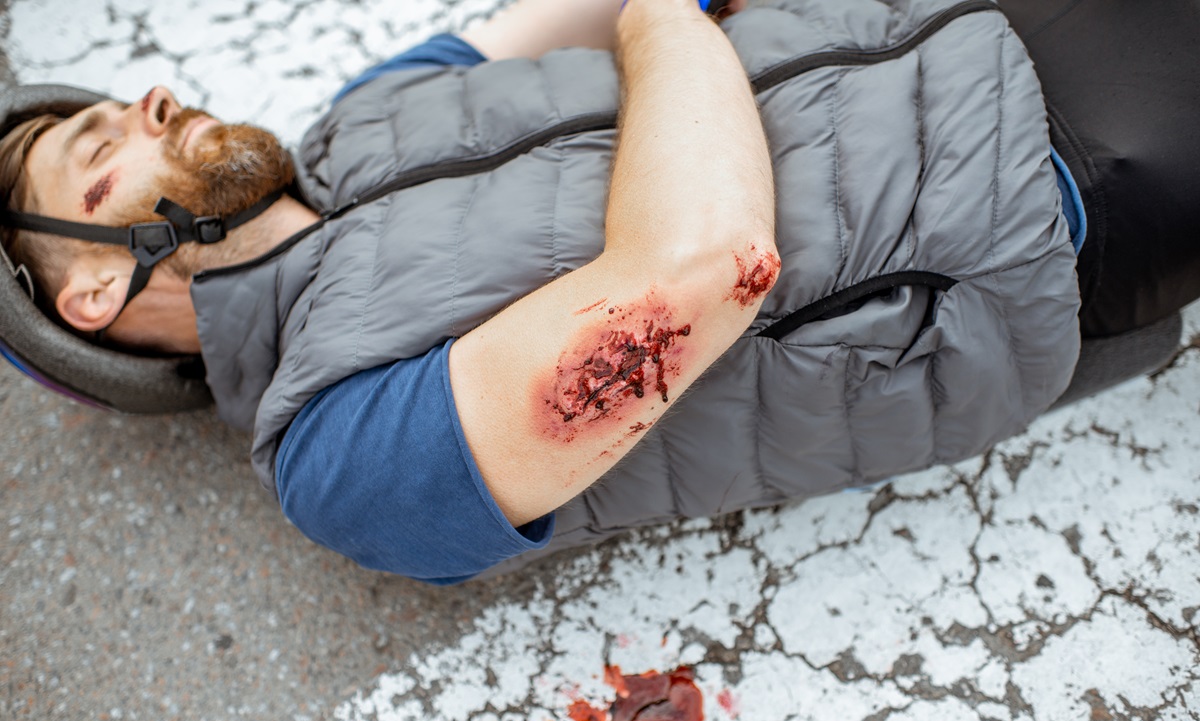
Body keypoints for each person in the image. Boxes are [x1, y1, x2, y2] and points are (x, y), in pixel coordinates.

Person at [0, 0, 1095, 583]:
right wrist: (667, 21)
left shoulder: (360, 112)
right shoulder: (337, 449)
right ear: (93, 292)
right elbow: (702, 270)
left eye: (127, 104)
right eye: (104, 145)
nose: (149, 99)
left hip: (962, 20)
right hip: (1037, 212)